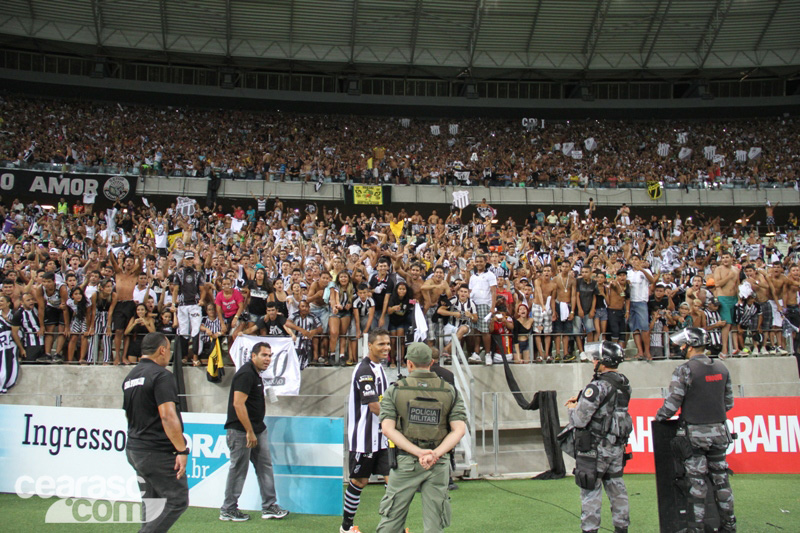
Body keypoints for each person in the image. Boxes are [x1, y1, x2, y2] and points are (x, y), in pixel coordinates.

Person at [375, 342, 467, 533]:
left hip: (405, 462)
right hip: (438, 462)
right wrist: (434, 454)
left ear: (409, 364)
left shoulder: (395, 390)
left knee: (391, 521)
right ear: (432, 362)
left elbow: (387, 429)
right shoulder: (449, 391)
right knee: (435, 525)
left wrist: (418, 452)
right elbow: (459, 430)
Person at [655, 327, 736, 533]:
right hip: (719, 432)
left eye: (683, 344)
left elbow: (672, 404)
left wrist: (660, 417)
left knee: (697, 484)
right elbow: (728, 403)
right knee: (721, 481)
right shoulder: (722, 367)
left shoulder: (684, 370)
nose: (681, 347)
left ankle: (696, 529)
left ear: (689, 346)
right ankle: (729, 525)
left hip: (695, 435)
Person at [122, 332, 189, 532]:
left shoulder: (130, 376)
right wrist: (181, 450)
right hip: (156, 451)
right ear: (162, 350)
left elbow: (129, 414)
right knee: (177, 500)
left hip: (135, 448)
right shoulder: (162, 375)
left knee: (152, 505)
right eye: (168, 350)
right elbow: (168, 416)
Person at [566, 341, 631, 533]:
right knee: (617, 488)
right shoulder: (624, 383)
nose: (593, 361)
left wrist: (572, 408)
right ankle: (622, 528)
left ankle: (590, 529)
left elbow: (579, 420)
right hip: (616, 446)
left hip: (595, 448)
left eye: (596, 358)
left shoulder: (597, 386)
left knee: (590, 491)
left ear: (603, 362)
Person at [219, 341, 289, 522]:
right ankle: (228, 509)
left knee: (264, 466)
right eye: (264, 355)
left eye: (270, 355)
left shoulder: (255, 374)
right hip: (242, 432)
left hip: (257, 429)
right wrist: (249, 431)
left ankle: (269, 506)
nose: (268, 359)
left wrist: (255, 429)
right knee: (238, 470)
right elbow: (238, 403)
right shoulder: (245, 374)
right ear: (253, 356)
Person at [341, 329, 391, 533]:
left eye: (388, 343)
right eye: (381, 344)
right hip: (364, 439)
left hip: (383, 438)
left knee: (392, 480)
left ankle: (392, 527)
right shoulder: (364, 370)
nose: (386, 347)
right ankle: (346, 527)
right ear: (370, 345)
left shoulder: (379, 367)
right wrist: (397, 423)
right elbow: (373, 406)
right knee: (359, 481)